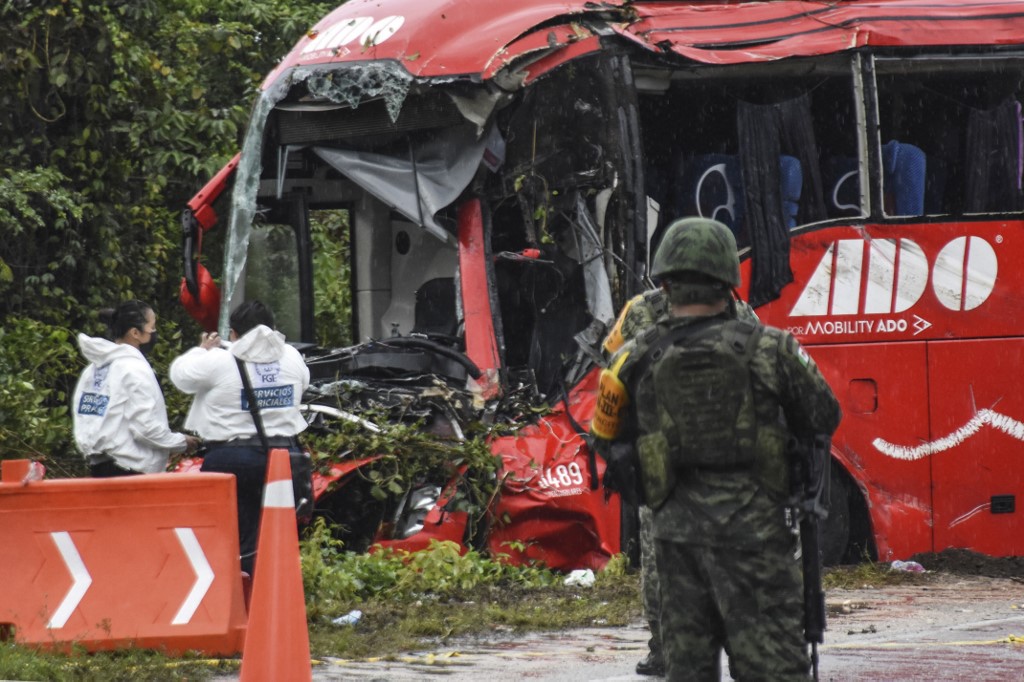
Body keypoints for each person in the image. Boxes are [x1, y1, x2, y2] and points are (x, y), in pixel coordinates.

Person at [592, 217, 841, 680]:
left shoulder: (634, 356)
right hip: (759, 542)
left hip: (676, 547)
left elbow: (604, 437)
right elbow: (825, 415)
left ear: (665, 282)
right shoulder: (771, 348)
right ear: (730, 281)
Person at [602, 286, 760, 677]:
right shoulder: (735, 308)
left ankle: (665, 648)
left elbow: (613, 363)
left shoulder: (642, 309)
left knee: (661, 557)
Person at [170, 300, 310, 575]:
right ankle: (273, 591)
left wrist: (201, 350)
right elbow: (303, 384)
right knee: (275, 535)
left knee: (230, 537)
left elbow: (180, 377)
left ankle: (238, 595)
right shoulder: (292, 356)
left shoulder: (218, 360)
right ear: (274, 329)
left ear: (233, 334)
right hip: (283, 457)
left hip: (231, 459)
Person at [72, 299, 198, 476]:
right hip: (130, 469)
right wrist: (180, 442)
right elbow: (145, 428)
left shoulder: (94, 370)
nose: (154, 333)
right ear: (135, 333)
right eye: (152, 327)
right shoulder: (133, 369)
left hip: (99, 465)